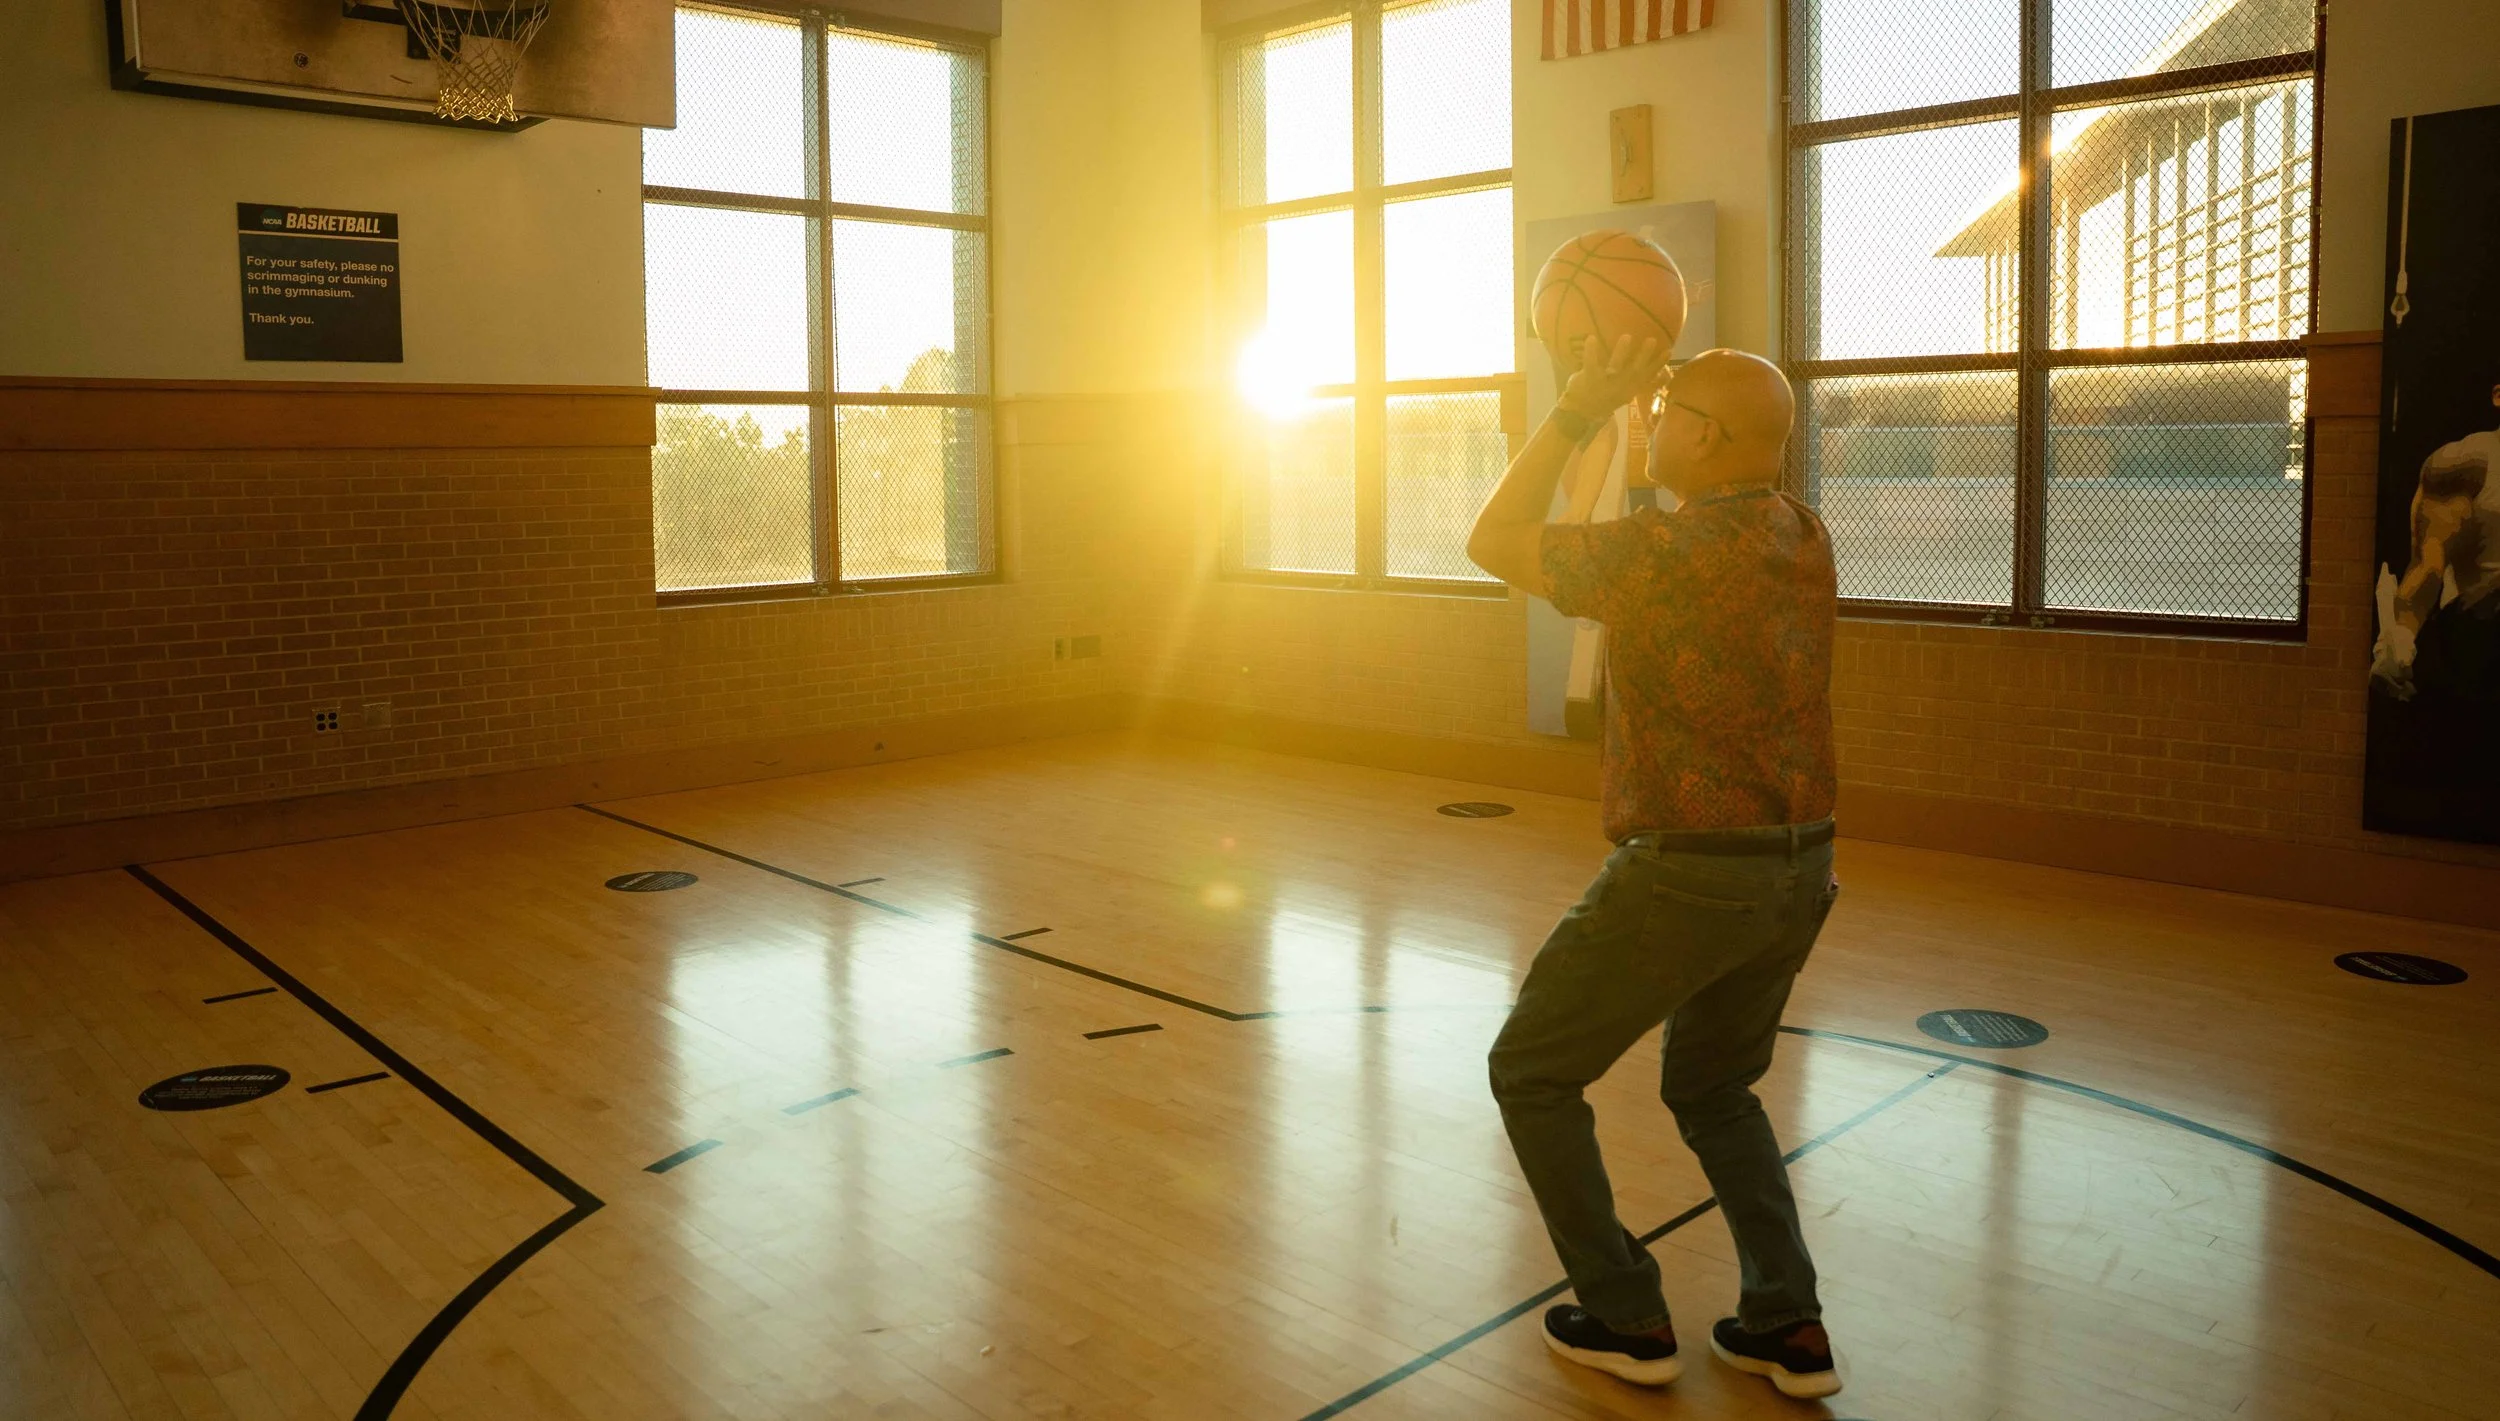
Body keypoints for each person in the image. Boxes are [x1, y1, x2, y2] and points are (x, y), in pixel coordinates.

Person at [1466, 337, 1843, 1400]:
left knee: (1531, 1070)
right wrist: (1665, 389)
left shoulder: (1657, 554)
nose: (1653, 424)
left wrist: (1579, 412)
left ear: (1708, 436)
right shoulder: (1805, 534)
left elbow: (1490, 536)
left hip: (1691, 868)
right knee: (1718, 1087)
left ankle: (1627, 1314)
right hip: (1800, 865)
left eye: (1669, 410)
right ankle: (1787, 1322)